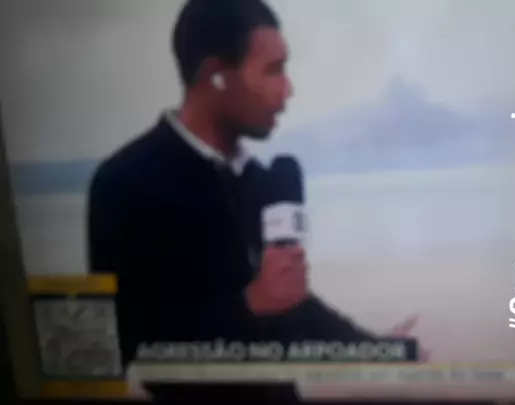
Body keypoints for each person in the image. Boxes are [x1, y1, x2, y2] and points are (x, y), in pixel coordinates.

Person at [88, 0, 420, 366]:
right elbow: (125, 342)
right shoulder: (125, 183)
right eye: (273, 70)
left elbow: (292, 305)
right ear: (216, 76)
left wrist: (373, 349)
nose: (288, 89)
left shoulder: (259, 181)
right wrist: (252, 304)